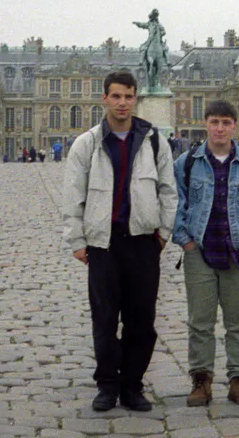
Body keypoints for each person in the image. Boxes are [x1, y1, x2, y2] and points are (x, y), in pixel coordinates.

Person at [61, 70, 177, 413]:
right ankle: (107, 385)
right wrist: (76, 239)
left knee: (142, 321)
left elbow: (168, 191)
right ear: (105, 99)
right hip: (104, 243)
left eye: (128, 96)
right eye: (116, 96)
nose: (122, 103)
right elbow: (73, 195)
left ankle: (132, 385)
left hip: (143, 242)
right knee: (105, 320)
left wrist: (163, 233)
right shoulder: (86, 143)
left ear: (135, 99)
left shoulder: (155, 141)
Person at [174, 100, 239, 409]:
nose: (219, 128)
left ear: (234, 126)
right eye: (214, 122)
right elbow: (174, 204)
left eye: (225, 122)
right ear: (205, 124)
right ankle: (201, 380)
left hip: (238, 251)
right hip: (200, 251)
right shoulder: (186, 163)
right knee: (200, 321)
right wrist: (186, 241)